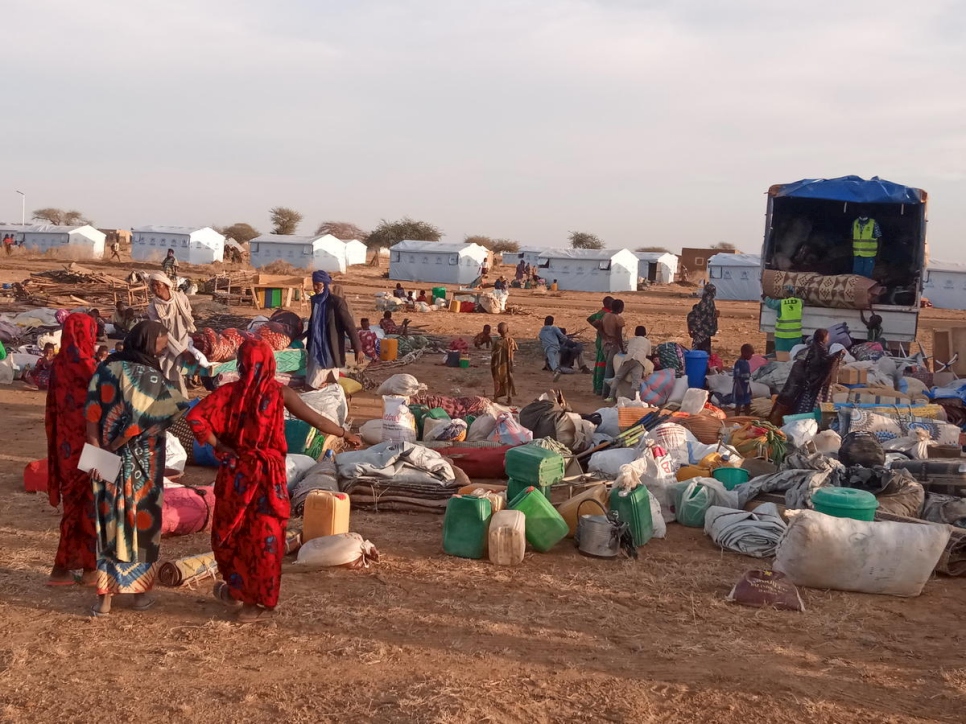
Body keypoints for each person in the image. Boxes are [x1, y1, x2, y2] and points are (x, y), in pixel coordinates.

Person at [187, 339, 361, 624]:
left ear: (241, 364)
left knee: (232, 533)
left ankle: (239, 591)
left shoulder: (229, 393)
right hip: (269, 477)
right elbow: (316, 420)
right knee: (264, 537)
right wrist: (345, 434)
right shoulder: (281, 393)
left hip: (238, 475)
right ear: (270, 363)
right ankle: (252, 601)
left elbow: (195, 418)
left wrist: (221, 446)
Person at [85, 321, 188, 616]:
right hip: (143, 463)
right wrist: (123, 438)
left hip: (104, 460)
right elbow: (173, 408)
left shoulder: (104, 369)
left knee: (109, 524)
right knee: (142, 524)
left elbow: (91, 415)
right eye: (161, 341)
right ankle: (139, 595)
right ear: (147, 341)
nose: (164, 345)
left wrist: (96, 452)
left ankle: (104, 599)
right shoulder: (151, 376)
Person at [45, 314, 100, 587]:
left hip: (65, 446)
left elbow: (52, 409)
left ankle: (63, 570)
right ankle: (88, 569)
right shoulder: (89, 367)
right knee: (91, 507)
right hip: (91, 445)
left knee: (73, 506)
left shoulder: (59, 365)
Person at [769, 329, 844, 425]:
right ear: (823, 337)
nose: (828, 338)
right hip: (814, 384)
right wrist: (838, 355)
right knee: (812, 405)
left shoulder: (815, 347)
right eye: (827, 336)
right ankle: (808, 422)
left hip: (809, 382)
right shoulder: (820, 350)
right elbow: (826, 362)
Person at [306, 270, 363, 389]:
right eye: (314, 284)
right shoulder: (314, 301)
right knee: (315, 383)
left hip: (330, 349)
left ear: (325, 285)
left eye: (319, 285)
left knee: (320, 384)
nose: (315, 288)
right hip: (315, 348)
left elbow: (349, 325)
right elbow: (314, 323)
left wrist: (358, 348)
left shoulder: (336, 302)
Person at [147, 273, 196, 396]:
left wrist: (185, 347)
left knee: (175, 373)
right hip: (167, 345)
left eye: (157, 284)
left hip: (185, 340)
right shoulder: (153, 307)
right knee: (168, 371)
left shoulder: (181, 298)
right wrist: (182, 351)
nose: (154, 288)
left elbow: (188, 321)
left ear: (166, 285)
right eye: (152, 285)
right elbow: (162, 332)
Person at [763, 285, 803, 356]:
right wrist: (798, 295)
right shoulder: (800, 302)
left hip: (782, 337)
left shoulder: (781, 303)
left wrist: (765, 297)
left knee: (782, 357)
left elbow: (771, 304)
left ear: (784, 294)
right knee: (794, 356)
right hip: (796, 336)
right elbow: (800, 301)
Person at [599, 299, 627, 399]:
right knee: (610, 369)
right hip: (613, 345)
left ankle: (604, 392)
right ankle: (607, 394)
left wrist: (605, 337)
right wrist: (622, 349)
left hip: (605, 343)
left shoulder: (606, 315)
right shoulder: (619, 319)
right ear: (620, 308)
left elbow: (600, 328)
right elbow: (619, 335)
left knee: (608, 367)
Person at [587, 296, 614, 396]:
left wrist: (598, 328)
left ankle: (596, 387)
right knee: (603, 365)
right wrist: (602, 332)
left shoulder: (600, 313)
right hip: (604, 341)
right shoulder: (606, 314)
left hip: (599, 340)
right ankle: (600, 388)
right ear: (608, 304)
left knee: (598, 363)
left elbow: (590, 319)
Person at [687, 283, 719, 354]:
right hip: (701, 333)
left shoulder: (708, 302)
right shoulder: (707, 303)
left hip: (702, 333)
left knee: (699, 352)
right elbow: (692, 315)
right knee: (700, 353)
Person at [491, 322, 517, 404]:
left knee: (497, 380)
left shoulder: (497, 342)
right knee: (508, 381)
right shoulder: (511, 341)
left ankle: (496, 397)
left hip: (498, 365)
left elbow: (493, 353)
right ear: (508, 329)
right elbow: (514, 350)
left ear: (498, 331)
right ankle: (509, 398)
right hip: (508, 365)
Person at [539, 316, 570, 382]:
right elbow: (561, 336)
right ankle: (557, 371)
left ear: (545, 322)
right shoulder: (554, 328)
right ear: (552, 322)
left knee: (552, 361)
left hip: (549, 348)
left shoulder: (542, 330)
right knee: (556, 361)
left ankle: (556, 372)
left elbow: (541, 337)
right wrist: (565, 340)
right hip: (556, 347)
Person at [852, 213, 882, 278]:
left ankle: (865, 288)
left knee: (867, 276)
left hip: (869, 255)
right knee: (856, 276)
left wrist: (878, 254)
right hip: (857, 254)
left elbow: (879, 239)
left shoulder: (873, 223)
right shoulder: (855, 222)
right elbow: (851, 237)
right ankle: (858, 288)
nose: (863, 212)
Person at [733, 344, 754, 416]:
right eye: (750, 354)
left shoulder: (746, 363)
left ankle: (747, 418)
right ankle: (736, 418)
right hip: (741, 387)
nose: (751, 357)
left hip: (746, 387)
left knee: (747, 403)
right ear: (744, 353)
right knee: (739, 404)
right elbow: (736, 377)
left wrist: (749, 388)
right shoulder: (739, 363)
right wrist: (739, 388)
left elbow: (747, 377)